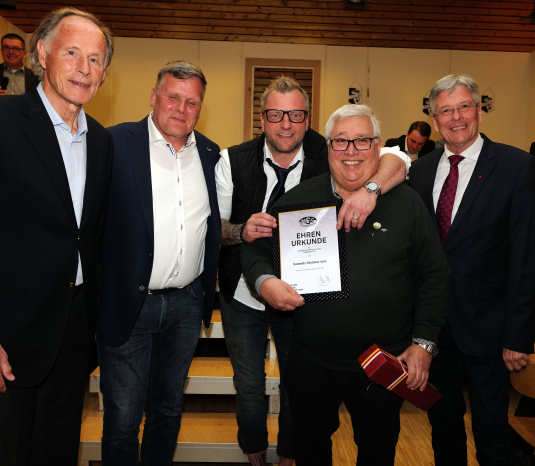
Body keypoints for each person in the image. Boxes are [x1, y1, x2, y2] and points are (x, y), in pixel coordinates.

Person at [0, 8, 113, 465]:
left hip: (71, 337)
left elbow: (86, 239)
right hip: (3, 343)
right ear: (41, 54)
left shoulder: (102, 141)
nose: (83, 68)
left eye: (95, 59)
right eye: (72, 53)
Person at [239, 103, 450, 466]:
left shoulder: (407, 204)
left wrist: (424, 343)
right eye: (340, 142)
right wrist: (265, 282)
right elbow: (255, 248)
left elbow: (434, 275)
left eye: (362, 141)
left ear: (378, 145)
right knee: (309, 450)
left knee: (377, 452)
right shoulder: (299, 201)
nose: (351, 152)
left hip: (383, 361)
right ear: (327, 147)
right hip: (311, 360)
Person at [215, 76, 410, 465]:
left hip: (307, 297)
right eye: (275, 114)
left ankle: (291, 453)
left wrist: (370, 191)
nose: (285, 124)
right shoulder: (231, 159)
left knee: (297, 387)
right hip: (243, 292)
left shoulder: (333, 151)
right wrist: (240, 230)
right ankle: (253, 446)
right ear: (262, 119)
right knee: (249, 384)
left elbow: (396, 158)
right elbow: (213, 229)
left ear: (307, 120)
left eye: (295, 115)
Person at [97, 60, 221, 465]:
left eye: (192, 102)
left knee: (167, 412)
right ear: (153, 97)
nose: (181, 109)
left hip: (186, 305)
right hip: (131, 306)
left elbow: (213, 224)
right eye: (173, 97)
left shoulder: (209, 153)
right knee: (123, 419)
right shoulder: (114, 144)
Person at [409, 74, 535, 466]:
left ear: (479, 111)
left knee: (492, 433)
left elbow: (527, 256)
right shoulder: (420, 171)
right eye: (445, 110)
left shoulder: (517, 166)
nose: (456, 117)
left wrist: (519, 335)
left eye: (464, 106)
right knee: (443, 431)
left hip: (491, 330)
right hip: (434, 331)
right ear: (434, 116)